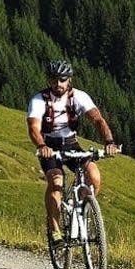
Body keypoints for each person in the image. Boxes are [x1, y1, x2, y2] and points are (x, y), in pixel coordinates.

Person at [28, 60, 120, 243]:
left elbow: (98, 120)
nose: (58, 84)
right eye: (54, 80)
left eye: (62, 79)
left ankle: (84, 209)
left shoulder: (79, 96)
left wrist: (109, 142)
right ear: (49, 80)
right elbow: (33, 128)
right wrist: (41, 147)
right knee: (56, 181)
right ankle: (54, 229)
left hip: (71, 144)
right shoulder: (39, 100)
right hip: (49, 146)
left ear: (69, 79)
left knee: (93, 175)